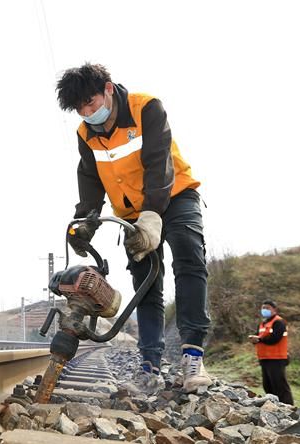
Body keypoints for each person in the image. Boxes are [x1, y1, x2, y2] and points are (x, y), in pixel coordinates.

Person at [56, 63, 212, 394]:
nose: (88, 112)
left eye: (91, 102)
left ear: (108, 89)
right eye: (80, 109)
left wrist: (152, 217)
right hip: (129, 212)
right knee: (146, 283)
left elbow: (158, 163)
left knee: (188, 258)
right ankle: (149, 364)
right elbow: (90, 177)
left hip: (175, 194)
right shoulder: (86, 133)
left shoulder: (147, 109)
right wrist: (87, 219)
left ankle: (193, 356)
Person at [249, 300, 293, 404]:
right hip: (265, 358)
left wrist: (259, 340)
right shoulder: (263, 324)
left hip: (277, 358)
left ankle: (288, 408)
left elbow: (275, 339)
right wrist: (254, 339)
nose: (265, 310)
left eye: (267, 308)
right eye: (263, 308)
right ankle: (274, 406)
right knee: (268, 385)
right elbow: (259, 337)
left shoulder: (278, 322)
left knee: (280, 385)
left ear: (274, 309)